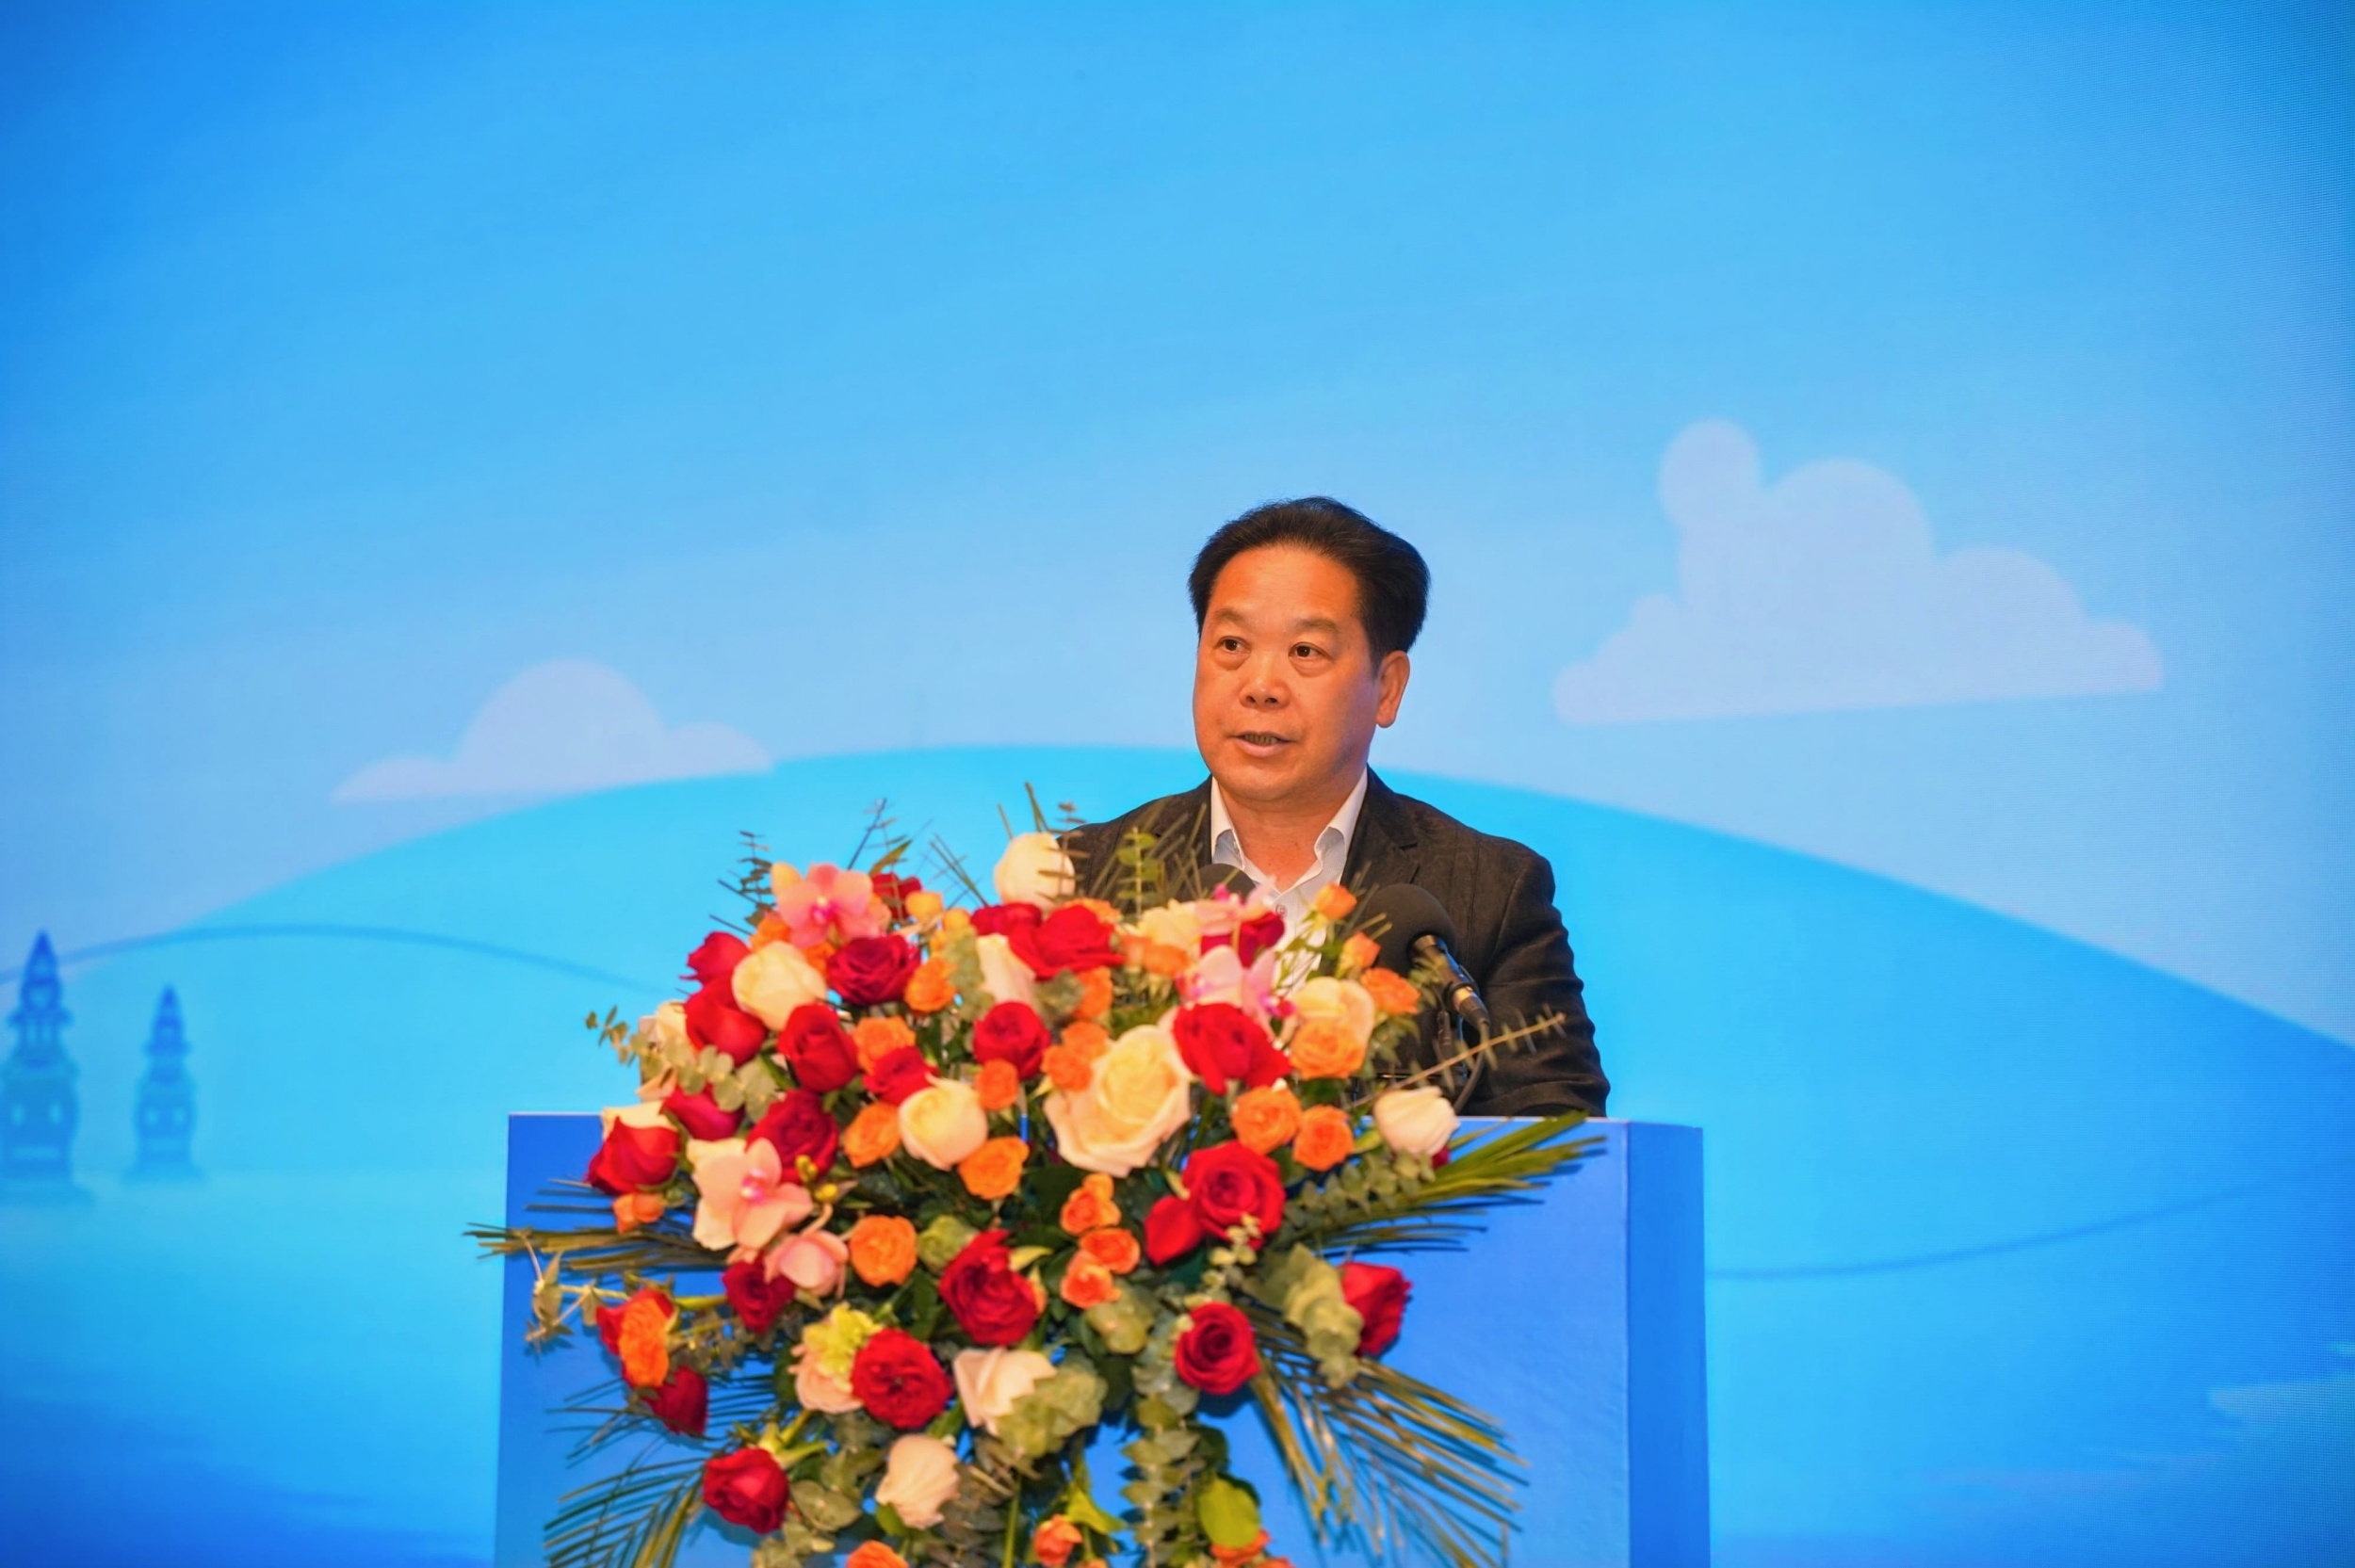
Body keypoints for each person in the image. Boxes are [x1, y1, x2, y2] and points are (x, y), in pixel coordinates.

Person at [1062, 497, 1609, 1117]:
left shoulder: (1490, 891)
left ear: (1388, 688)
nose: (1260, 686)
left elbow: (1556, 1140)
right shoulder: (1084, 879)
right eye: (1232, 644)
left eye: (1306, 652)